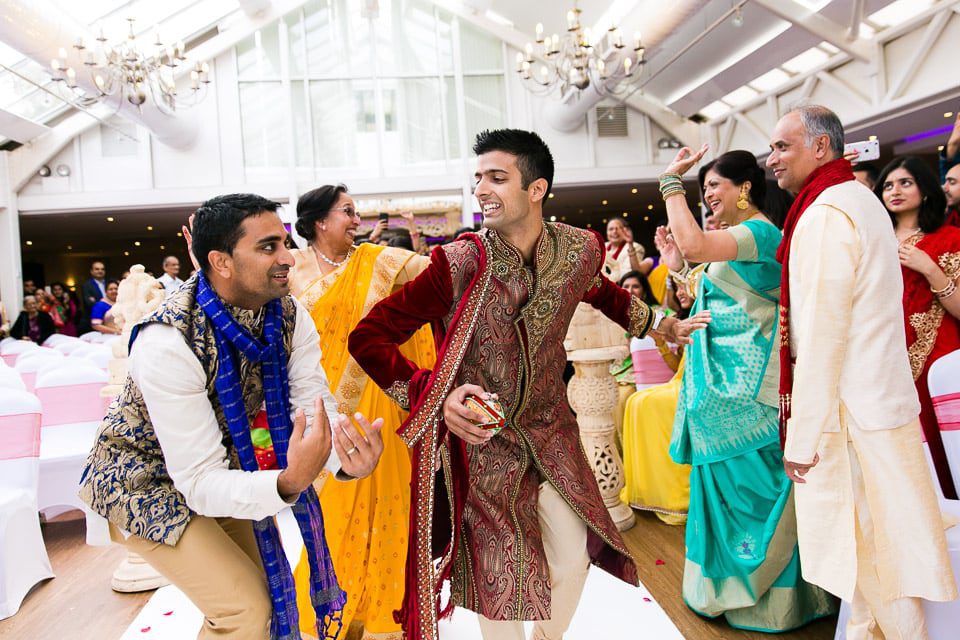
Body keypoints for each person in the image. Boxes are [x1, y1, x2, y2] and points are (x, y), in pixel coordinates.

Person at [347, 129, 709, 640]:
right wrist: (435, 394)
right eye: (477, 179)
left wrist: (658, 323)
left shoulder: (579, 250)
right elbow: (370, 335)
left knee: (570, 559)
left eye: (497, 178)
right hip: (481, 442)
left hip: (550, 430)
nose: (481, 190)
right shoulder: (458, 264)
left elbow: (600, 291)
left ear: (536, 189)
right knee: (498, 582)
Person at [79, 193, 387, 640]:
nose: (288, 257)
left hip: (216, 471)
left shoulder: (286, 312)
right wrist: (287, 482)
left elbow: (313, 408)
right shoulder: (168, 341)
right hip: (140, 484)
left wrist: (344, 457)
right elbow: (197, 481)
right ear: (220, 262)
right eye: (268, 248)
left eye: (283, 243)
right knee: (244, 609)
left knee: (264, 598)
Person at [768, 105, 957, 638]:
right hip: (880, 402)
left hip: (852, 413)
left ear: (821, 147)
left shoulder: (828, 212)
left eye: (783, 146)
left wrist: (802, 437)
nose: (772, 159)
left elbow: (825, 331)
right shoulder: (859, 200)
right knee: (880, 549)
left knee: (871, 550)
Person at [657, 148, 834, 630]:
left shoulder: (758, 232)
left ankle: (773, 603)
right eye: (702, 189)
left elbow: (696, 246)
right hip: (718, 394)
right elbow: (712, 293)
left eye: (713, 186)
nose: (707, 196)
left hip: (747, 393)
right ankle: (729, 598)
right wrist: (676, 267)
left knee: (757, 496)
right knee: (726, 499)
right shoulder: (736, 239)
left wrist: (670, 184)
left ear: (745, 189)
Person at [287, 184, 435, 640]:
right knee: (332, 512)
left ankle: (385, 615)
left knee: (390, 502)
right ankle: (332, 610)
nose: (357, 221)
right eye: (348, 212)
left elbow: (438, 273)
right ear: (319, 222)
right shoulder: (289, 270)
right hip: (325, 406)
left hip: (381, 405)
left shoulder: (379, 261)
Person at [875, 156, 960, 500]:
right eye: (888, 185)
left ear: (926, 190)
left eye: (905, 183)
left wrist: (930, 269)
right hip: (887, 366)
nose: (894, 191)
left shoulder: (949, 238)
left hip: (939, 364)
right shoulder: (872, 242)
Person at [620, 281, 693, 526]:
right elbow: (676, 367)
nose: (680, 292)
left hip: (695, 384)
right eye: (677, 287)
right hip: (678, 380)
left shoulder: (700, 318)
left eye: (686, 286)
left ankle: (677, 497)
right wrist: (660, 342)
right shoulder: (681, 320)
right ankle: (648, 490)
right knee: (634, 403)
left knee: (648, 405)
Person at [604, 217, 646, 281]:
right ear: (607, 233)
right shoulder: (601, 246)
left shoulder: (636, 247)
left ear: (625, 230)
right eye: (611, 229)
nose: (614, 231)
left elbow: (633, 273)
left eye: (618, 228)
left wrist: (630, 244)